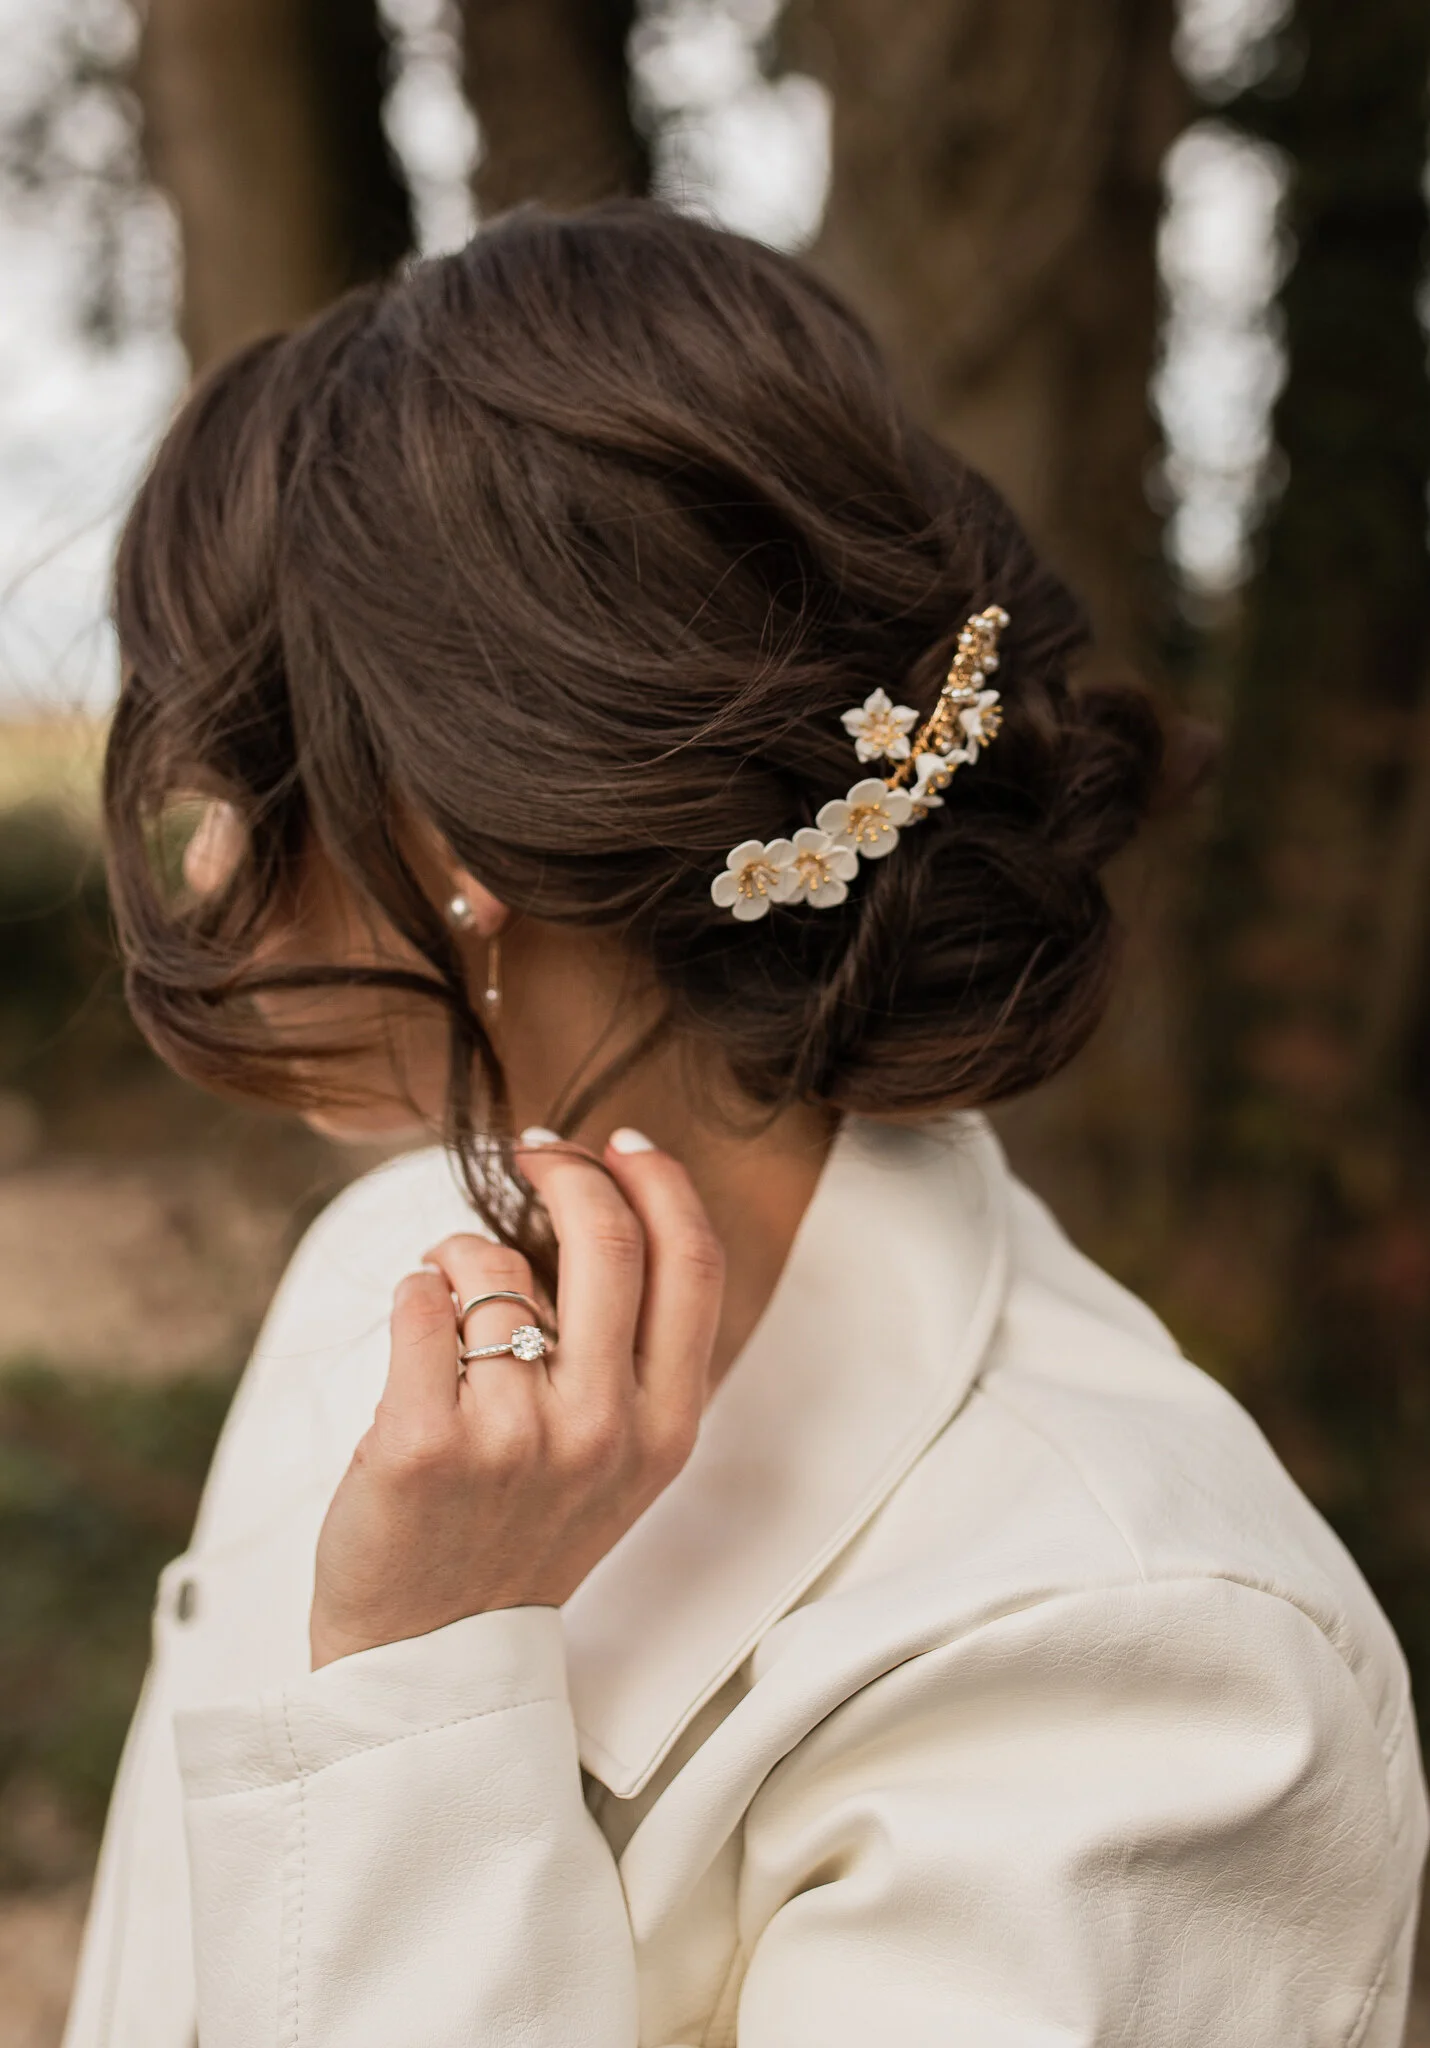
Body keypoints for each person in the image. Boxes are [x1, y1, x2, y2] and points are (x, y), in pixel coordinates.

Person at [67, 203, 1424, 2048]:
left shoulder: (1147, 1665)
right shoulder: (381, 1279)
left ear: (452, 836)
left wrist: (417, 1689)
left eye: (240, 779)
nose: (209, 865)